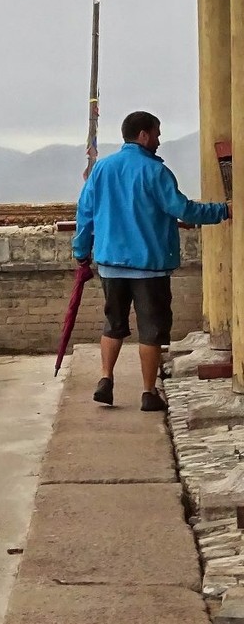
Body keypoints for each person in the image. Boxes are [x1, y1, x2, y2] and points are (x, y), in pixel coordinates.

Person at [73, 110, 230, 411]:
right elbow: (182, 209)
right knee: (152, 329)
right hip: (149, 268)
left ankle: (106, 379)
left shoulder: (102, 170)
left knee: (113, 324)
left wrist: (81, 253)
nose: (159, 141)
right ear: (143, 135)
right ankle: (148, 393)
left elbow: (85, 215)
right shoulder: (155, 172)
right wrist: (223, 211)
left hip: (111, 266)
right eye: (156, 134)